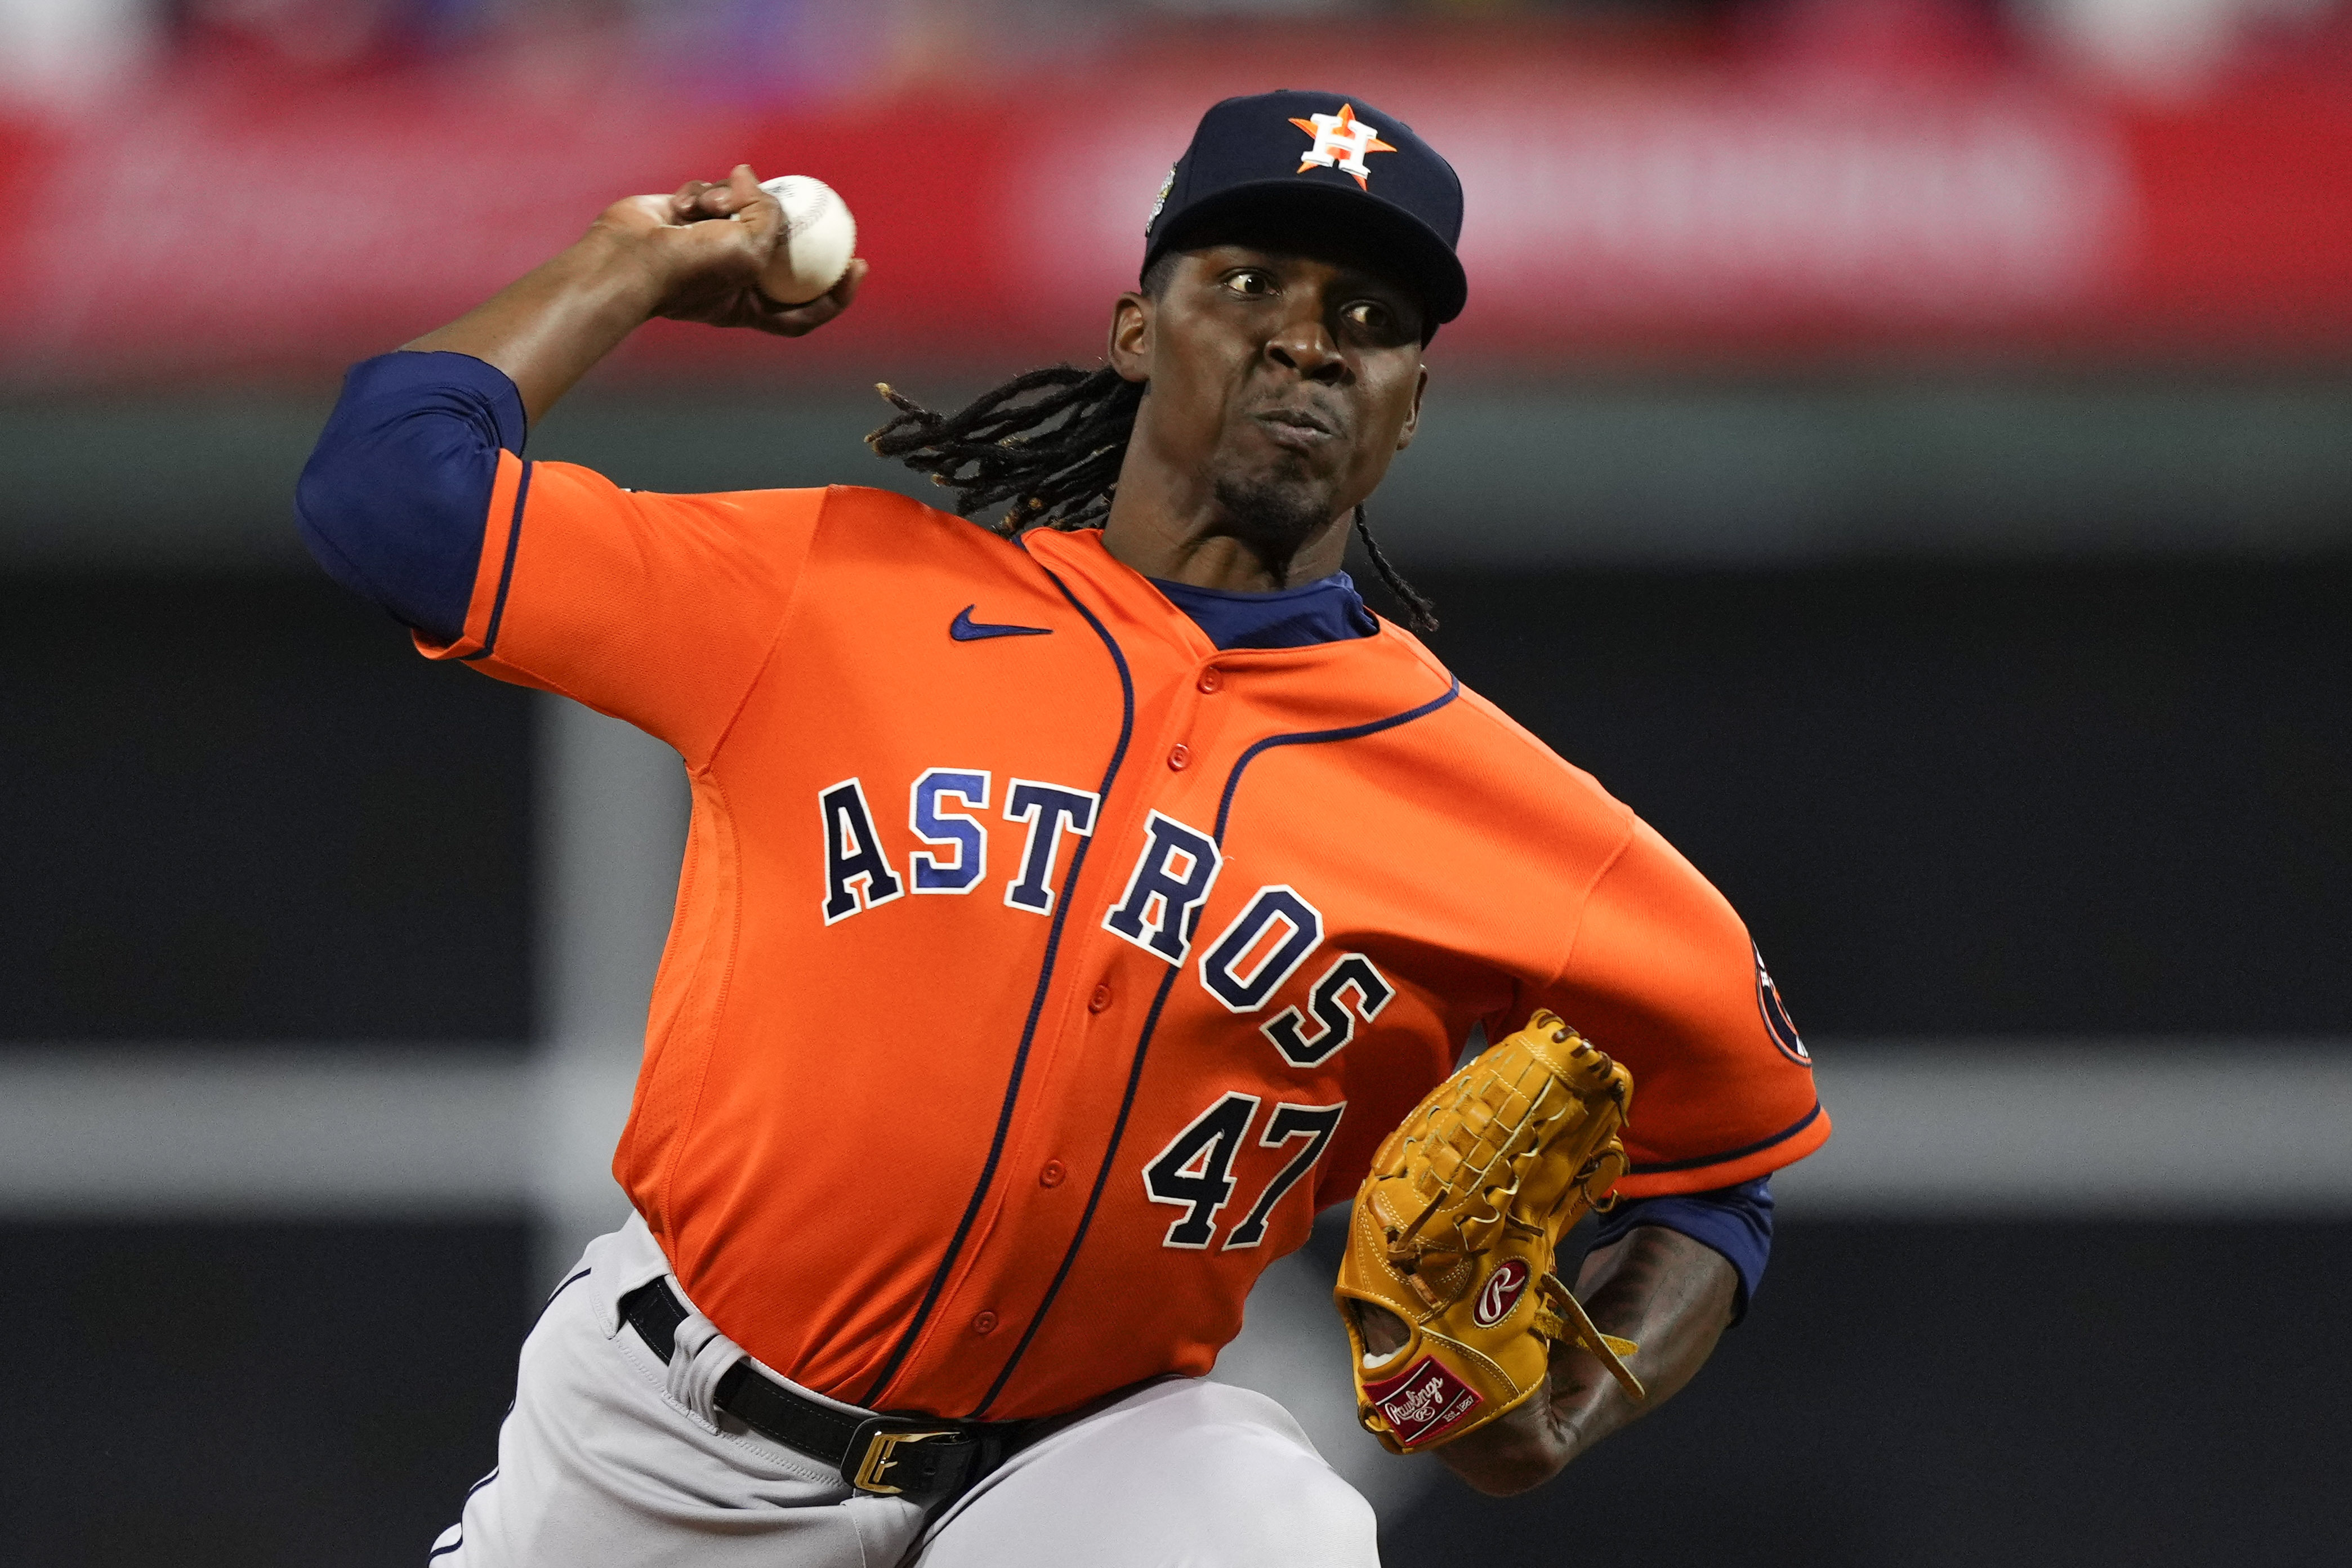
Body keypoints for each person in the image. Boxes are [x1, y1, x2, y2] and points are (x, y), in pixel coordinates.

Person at [297, 91, 1828, 1567]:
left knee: (1274, 1525)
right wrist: (633, 259)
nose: (1306, 337)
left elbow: (1724, 1143)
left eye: (1368, 321)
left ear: (1409, 408)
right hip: (679, 1441)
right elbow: (387, 491)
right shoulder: (833, 596)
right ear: (1133, 329)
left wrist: (1573, 1393)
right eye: (1247, 284)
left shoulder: (1509, 818)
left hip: (1090, 1462)